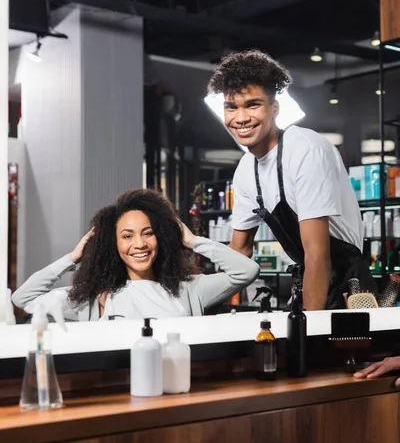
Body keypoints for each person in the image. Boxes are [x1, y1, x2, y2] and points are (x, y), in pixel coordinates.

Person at [207, 49, 376, 310]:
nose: (240, 118)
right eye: (232, 107)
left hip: (349, 288)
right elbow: (240, 251)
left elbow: (318, 253)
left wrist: (309, 330)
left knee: (333, 351)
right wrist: (200, 301)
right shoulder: (245, 170)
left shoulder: (305, 149)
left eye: (253, 104)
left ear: (274, 108)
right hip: (309, 278)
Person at [12, 188, 260, 320]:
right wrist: (72, 258)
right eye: (127, 236)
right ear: (114, 244)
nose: (139, 244)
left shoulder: (190, 289)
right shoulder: (95, 299)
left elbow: (247, 271)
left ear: (160, 237)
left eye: (148, 233)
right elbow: (23, 298)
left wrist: (192, 241)